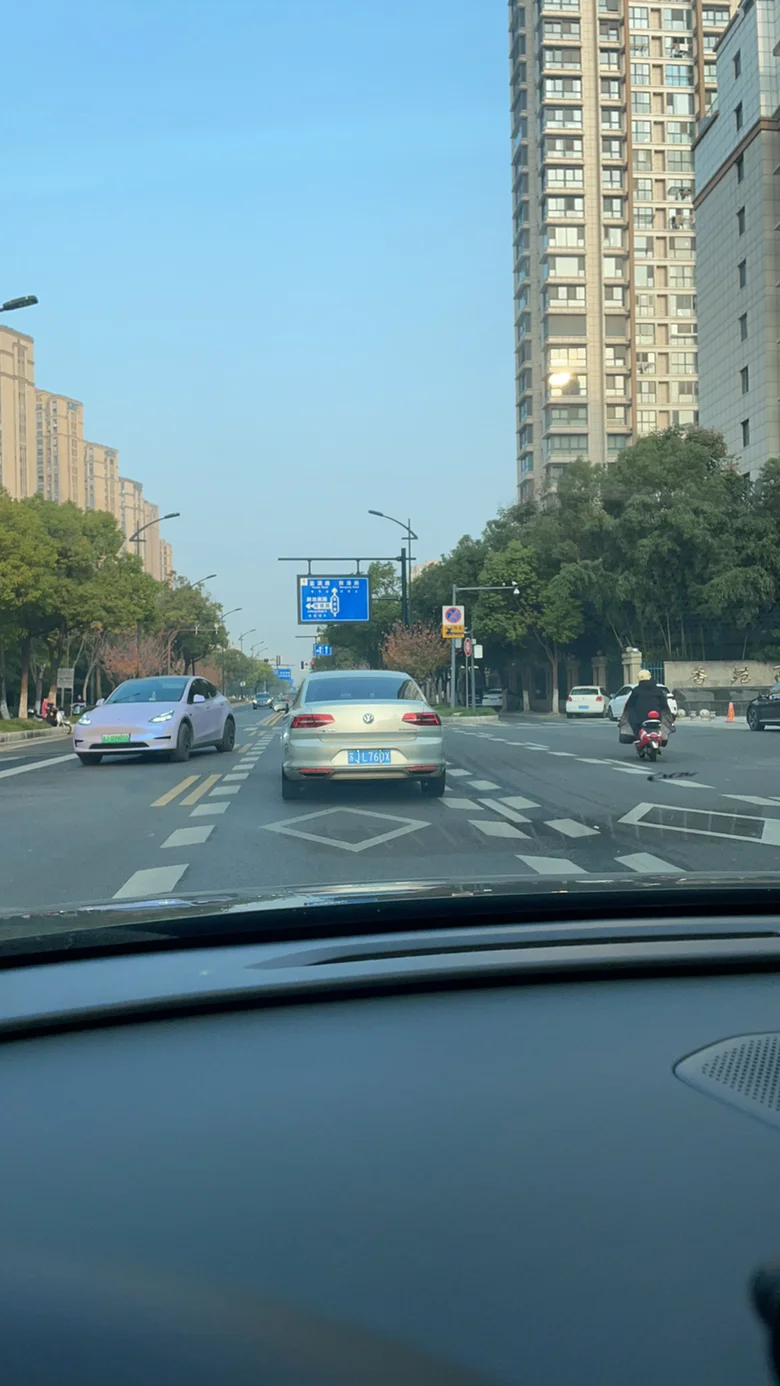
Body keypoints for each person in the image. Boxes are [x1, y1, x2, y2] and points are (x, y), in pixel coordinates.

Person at [624, 670, 671, 738]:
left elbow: (630, 705)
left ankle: (638, 736)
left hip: (640, 718)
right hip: (657, 717)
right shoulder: (658, 690)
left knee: (632, 719)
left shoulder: (636, 690)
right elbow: (664, 704)